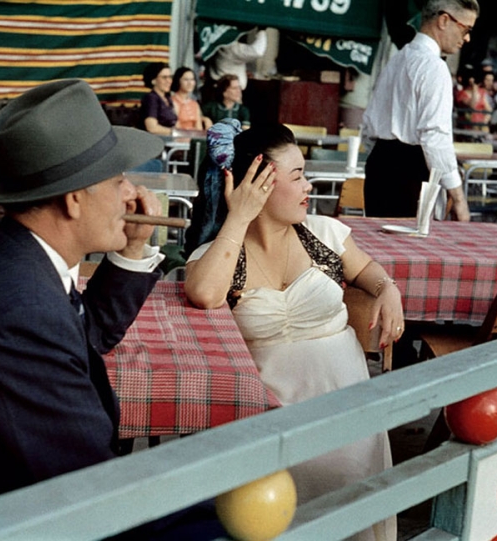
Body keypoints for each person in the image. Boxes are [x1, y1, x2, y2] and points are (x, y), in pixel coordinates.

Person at [0, 79, 226, 540]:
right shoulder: (18, 311)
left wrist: (132, 249)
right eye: (117, 179)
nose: (130, 192)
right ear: (74, 198)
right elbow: (90, 491)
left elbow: (84, 332)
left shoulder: (5, 249)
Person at [184, 120, 402, 541]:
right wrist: (240, 215)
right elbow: (206, 293)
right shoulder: (221, 253)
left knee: (349, 511)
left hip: (345, 401)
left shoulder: (324, 232)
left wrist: (387, 288)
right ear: (259, 183)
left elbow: (369, 271)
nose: (309, 186)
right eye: (298, 175)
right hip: (270, 414)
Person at [361, 0, 478, 220]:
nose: (467, 38)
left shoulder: (398, 58)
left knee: (380, 248)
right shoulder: (435, 67)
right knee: (413, 252)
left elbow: (368, 125)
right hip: (410, 169)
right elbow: (435, 137)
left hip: (379, 163)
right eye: (466, 29)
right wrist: (459, 200)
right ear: (444, 20)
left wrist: (381, 156)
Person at [140, 62, 177, 135]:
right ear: (153, 80)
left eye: (170, 77)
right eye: (164, 77)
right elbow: (152, 128)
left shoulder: (167, 98)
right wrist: (174, 132)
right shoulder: (151, 98)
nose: (169, 81)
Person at [171, 67, 208, 131]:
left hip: (194, 138)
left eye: (192, 79)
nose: (190, 83)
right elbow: (176, 127)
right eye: (186, 79)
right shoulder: (172, 101)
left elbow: (199, 128)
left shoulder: (194, 104)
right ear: (178, 81)